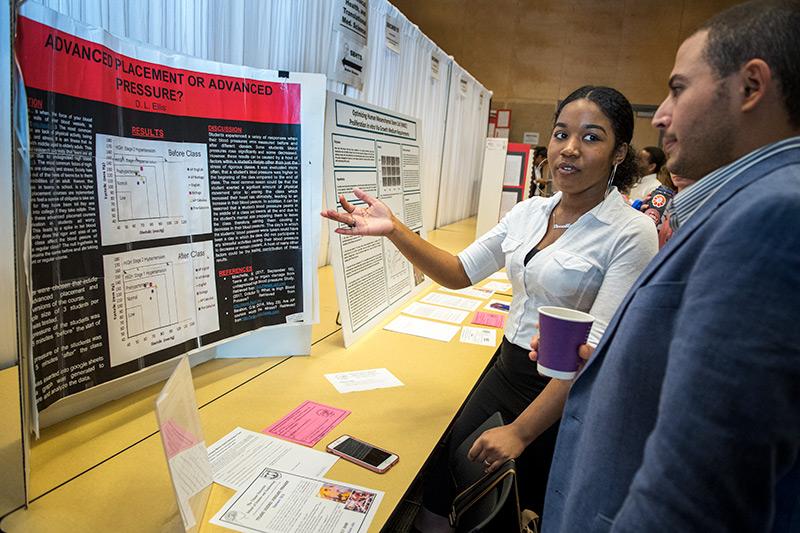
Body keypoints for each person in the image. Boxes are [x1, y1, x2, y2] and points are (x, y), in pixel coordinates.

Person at [322, 85, 658, 531]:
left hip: (562, 391)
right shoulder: (530, 212)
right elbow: (459, 271)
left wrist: (520, 432)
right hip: (507, 366)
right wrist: (393, 229)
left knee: (513, 501)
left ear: (619, 153)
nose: (570, 150)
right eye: (561, 134)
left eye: (592, 138)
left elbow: (593, 351)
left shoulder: (631, 232)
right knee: (448, 469)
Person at [539, 2, 800, 531]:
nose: (660, 114)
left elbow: (702, 480)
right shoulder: (743, 204)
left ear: (751, 86)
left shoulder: (773, 216)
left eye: (678, 89)